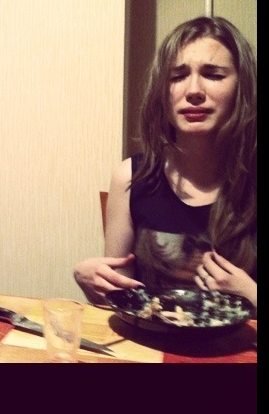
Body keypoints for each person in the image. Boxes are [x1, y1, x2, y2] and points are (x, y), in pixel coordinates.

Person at [73, 16, 257, 309]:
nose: (193, 90)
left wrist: (252, 296)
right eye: (177, 76)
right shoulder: (131, 178)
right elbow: (119, 304)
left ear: (241, 87)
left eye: (213, 75)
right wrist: (92, 283)